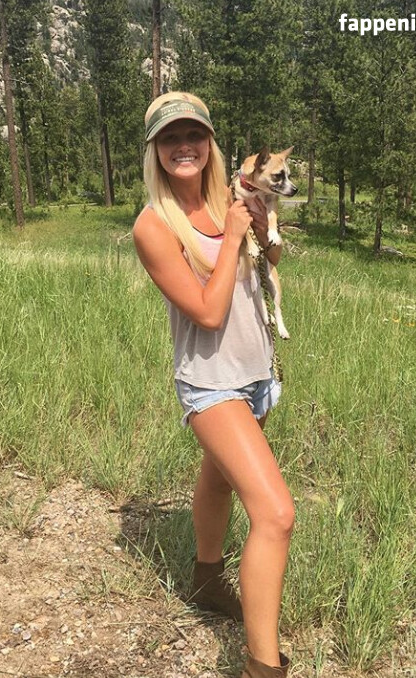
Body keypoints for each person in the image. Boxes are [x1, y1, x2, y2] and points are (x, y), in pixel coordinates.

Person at [132, 92, 294, 678]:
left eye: (194, 134)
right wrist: (230, 236)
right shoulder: (153, 226)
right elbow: (206, 311)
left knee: (219, 478)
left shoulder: (232, 195)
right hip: (211, 383)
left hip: (256, 373)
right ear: (155, 150)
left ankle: (205, 578)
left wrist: (262, 231)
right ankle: (261, 667)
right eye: (170, 137)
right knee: (275, 515)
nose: (184, 146)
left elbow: (271, 259)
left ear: (209, 142)